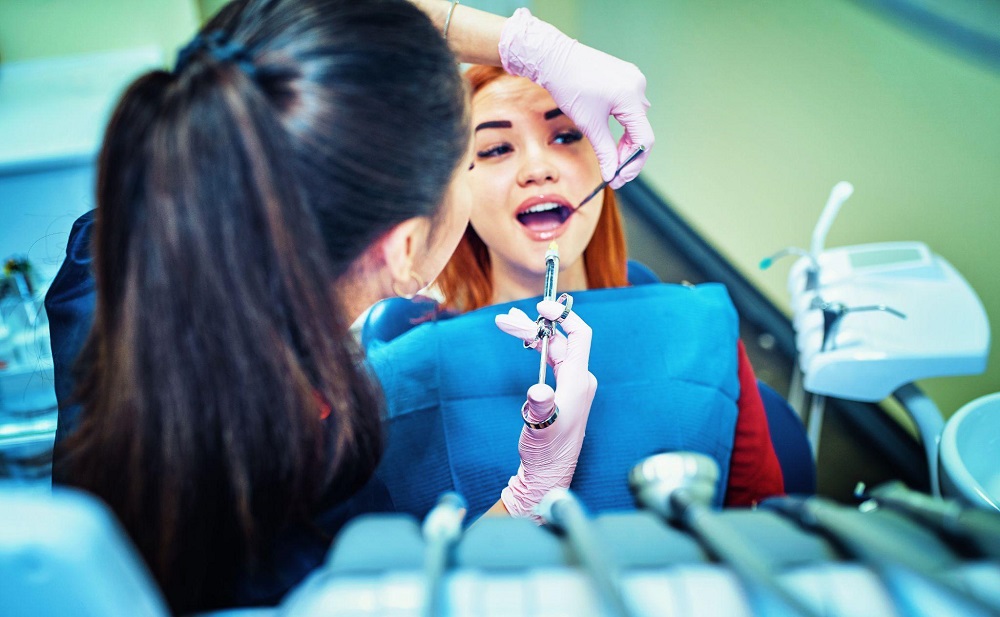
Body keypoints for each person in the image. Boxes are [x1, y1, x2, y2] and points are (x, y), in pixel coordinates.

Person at [48, 0, 657, 611]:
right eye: (480, 156)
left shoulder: (112, 257)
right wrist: (531, 492)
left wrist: (528, 45)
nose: (535, 169)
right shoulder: (294, 489)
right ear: (404, 248)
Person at [360, 65, 784, 522]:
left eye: (565, 136)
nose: (538, 169)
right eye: (496, 148)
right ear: (454, 187)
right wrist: (524, 502)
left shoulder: (701, 331)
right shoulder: (404, 373)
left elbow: (765, 536)